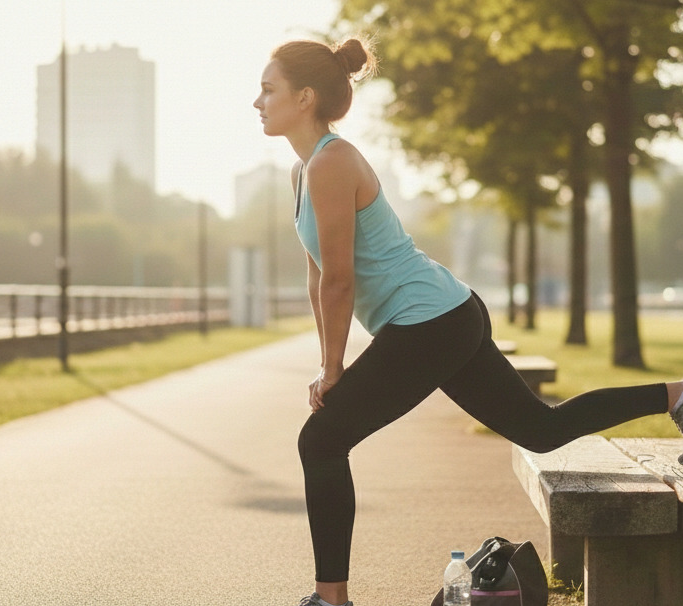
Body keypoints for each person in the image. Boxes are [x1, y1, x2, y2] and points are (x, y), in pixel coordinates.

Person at [252, 37, 683, 606]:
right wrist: (326, 362)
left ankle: (330, 599)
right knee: (541, 430)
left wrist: (333, 368)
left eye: (267, 89)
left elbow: (339, 280)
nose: (256, 101)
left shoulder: (333, 161)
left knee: (322, 440)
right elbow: (318, 278)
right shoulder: (303, 172)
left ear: (304, 97)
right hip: (444, 314)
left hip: (430, 320)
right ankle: (675, 394)